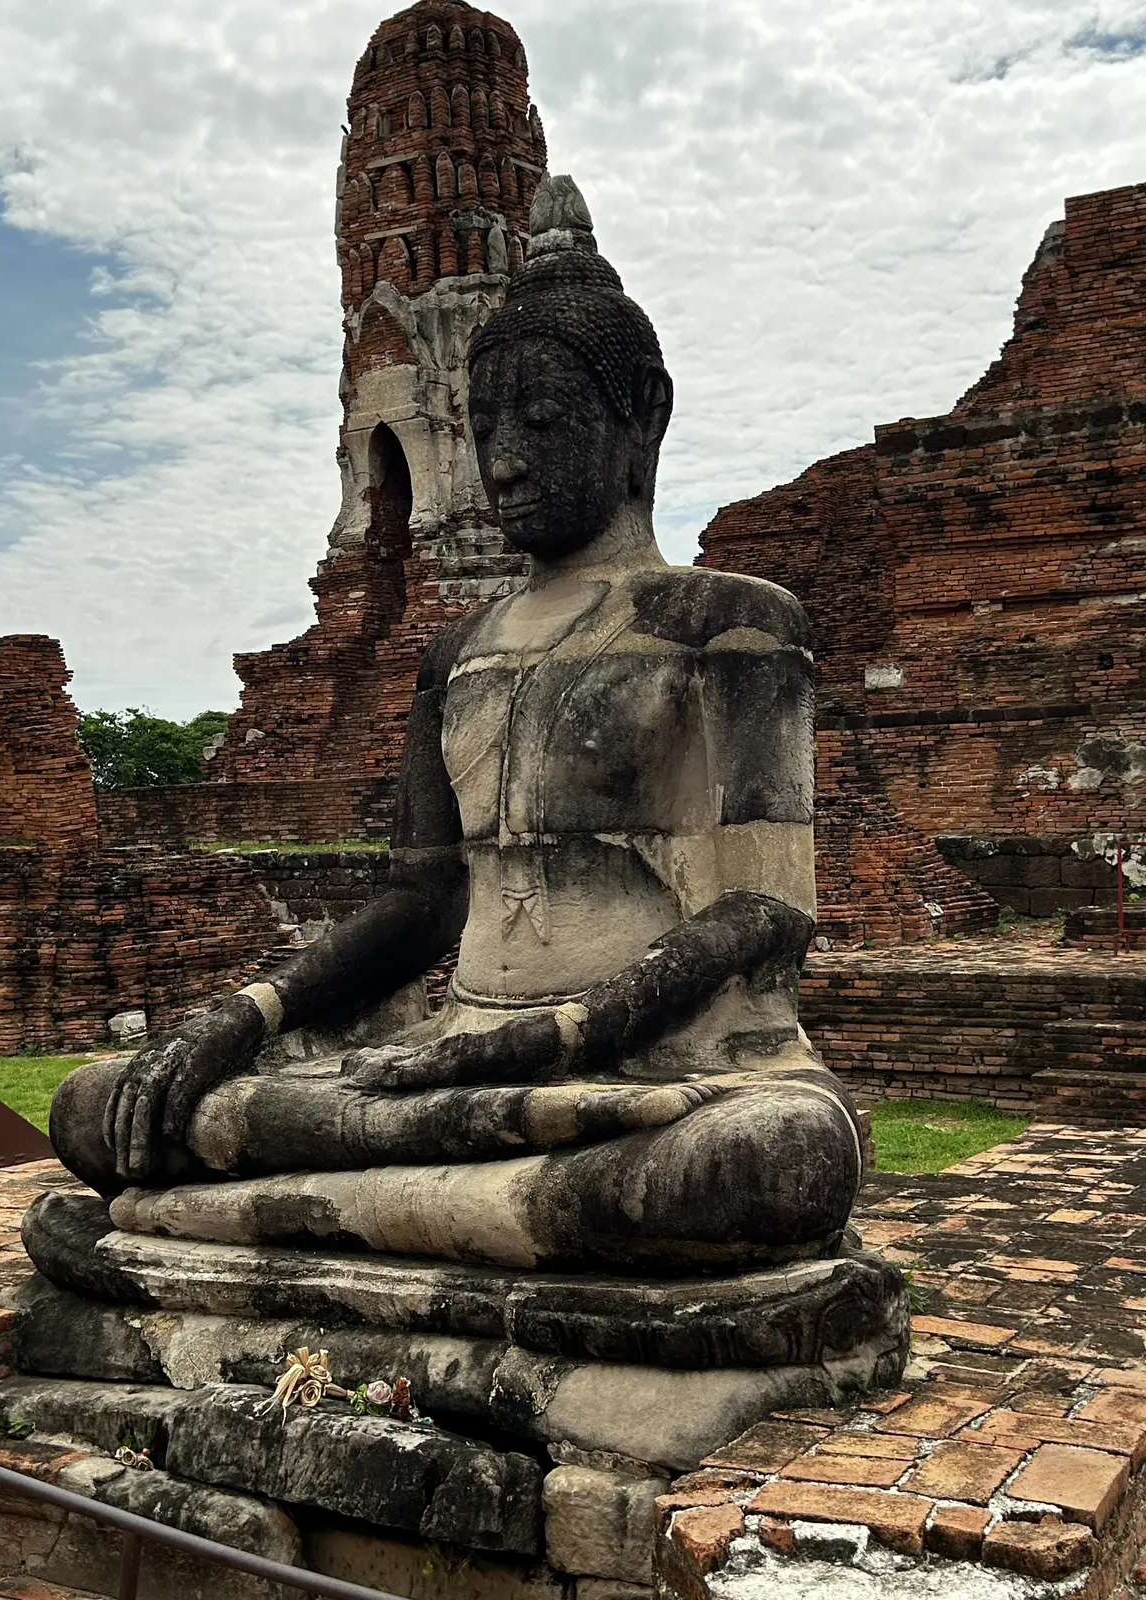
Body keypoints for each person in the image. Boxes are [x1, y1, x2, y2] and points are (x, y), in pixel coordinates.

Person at [46, 176, 863, 1276]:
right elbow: (421, 901)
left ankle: (244, 1227)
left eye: (543, 419)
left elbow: (767, 908)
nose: (505, 458)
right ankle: (433, 1207)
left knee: (767, 1156)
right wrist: (242, 1016)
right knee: (102, 1105)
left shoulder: (728, 625)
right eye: (481, 427)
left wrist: (561, 1035)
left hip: (660, 1065)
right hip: (449, 1066)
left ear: (644, 420)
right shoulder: (455, 651)